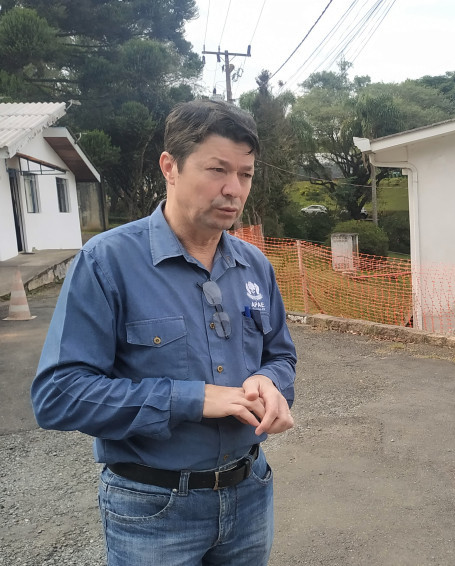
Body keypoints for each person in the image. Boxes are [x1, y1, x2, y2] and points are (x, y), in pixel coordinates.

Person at [31, 98, 297, 565]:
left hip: (251, 491)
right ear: (170, 167)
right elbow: (59, 394)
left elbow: (281, 356)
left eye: (245, 174)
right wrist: (192, 399)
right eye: (217, 170)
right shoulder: (107, 261)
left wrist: (269, 382)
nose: (233, 189)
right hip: (152, 508)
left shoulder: (255, 265)